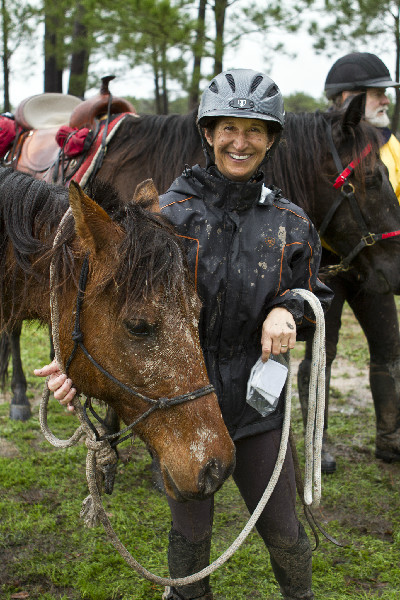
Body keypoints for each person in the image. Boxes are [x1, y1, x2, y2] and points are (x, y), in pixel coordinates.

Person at [35, 69, 332, 600]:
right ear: (208, 132)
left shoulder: (290, 222)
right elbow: (110, 304)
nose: (240, 142)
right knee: (190, 543)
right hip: (182, 409)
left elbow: (315, 293)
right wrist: (73, 369)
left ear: (272, 139)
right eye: (228, 128)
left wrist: (289, 309)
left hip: (256, 406)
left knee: (286, 535)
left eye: (255, 131)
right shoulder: (164, 218)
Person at [298, 52, 400, 474]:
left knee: (389, 346)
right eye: (377, 93)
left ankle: (391, 437)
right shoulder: (319, 147)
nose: (385, 101)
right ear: (347, 99)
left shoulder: (391, 144)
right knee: (322, 351)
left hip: (374, 262)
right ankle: (316, 442)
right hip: (330, 265)